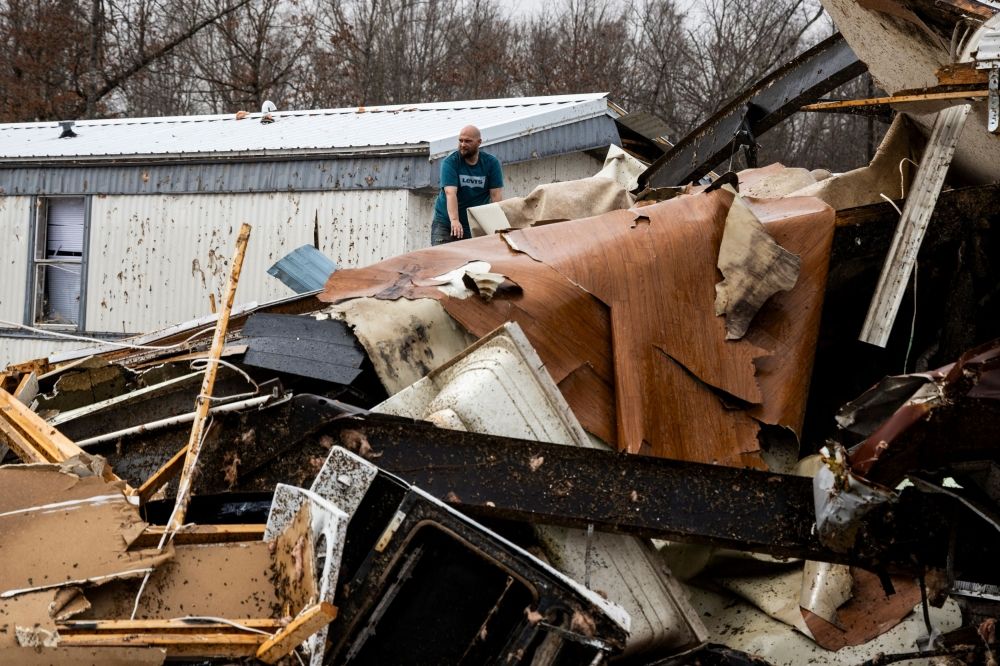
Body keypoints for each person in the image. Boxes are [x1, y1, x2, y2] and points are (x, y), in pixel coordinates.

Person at [431, 125, 504, 245]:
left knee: (473, 261)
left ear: (479, 142)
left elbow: (496, 196)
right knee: (444, 259)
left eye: (468, 141)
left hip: (475, 223)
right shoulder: (450, 162)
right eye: (461, 140)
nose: (463, 144)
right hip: (447, 223)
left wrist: (498, 224)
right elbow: (450, 193)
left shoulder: (491, 163)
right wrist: (454, 220)